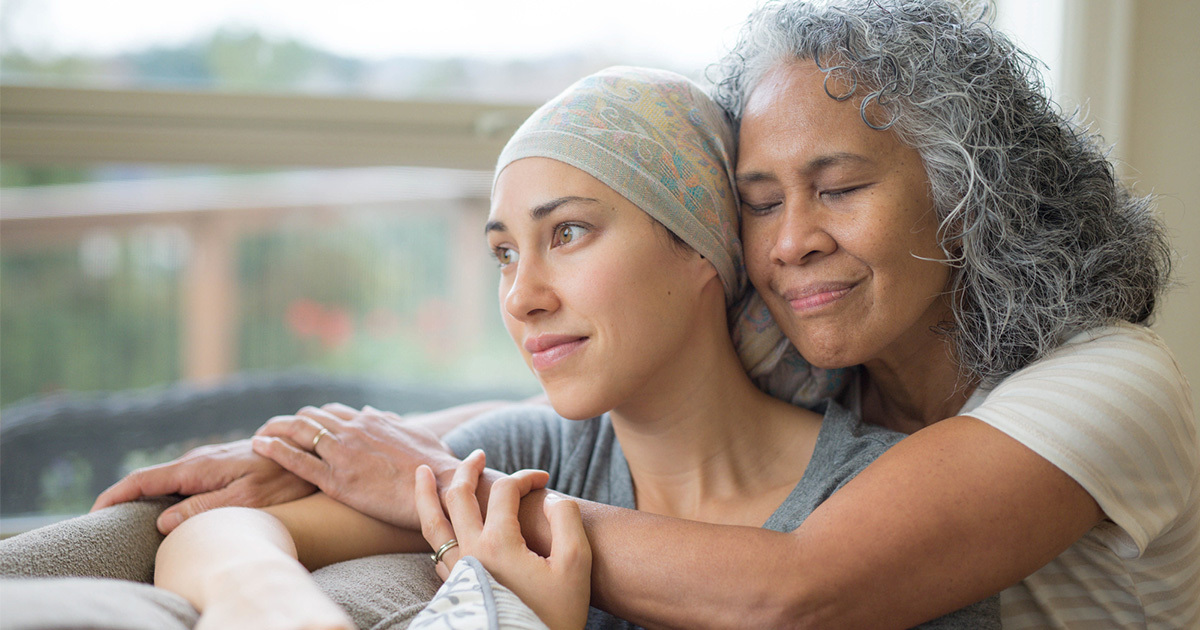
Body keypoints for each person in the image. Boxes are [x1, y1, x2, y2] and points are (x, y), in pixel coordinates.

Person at [95, 1, 1197, 628]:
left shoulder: (1109, 383)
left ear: (969, 191)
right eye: (759, 201)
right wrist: (325, 444)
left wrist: (434, 483)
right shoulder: (817, 348)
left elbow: (797, 586)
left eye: (841, 187)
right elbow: (572, 407)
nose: (788, 240)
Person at [150, 66, 998, 629]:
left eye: (571, 232)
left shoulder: (877, 513)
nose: (523, 297)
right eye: (505, 253)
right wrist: (272, 606)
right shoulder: (529, 462)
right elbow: (222, 533)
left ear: (702, 247)